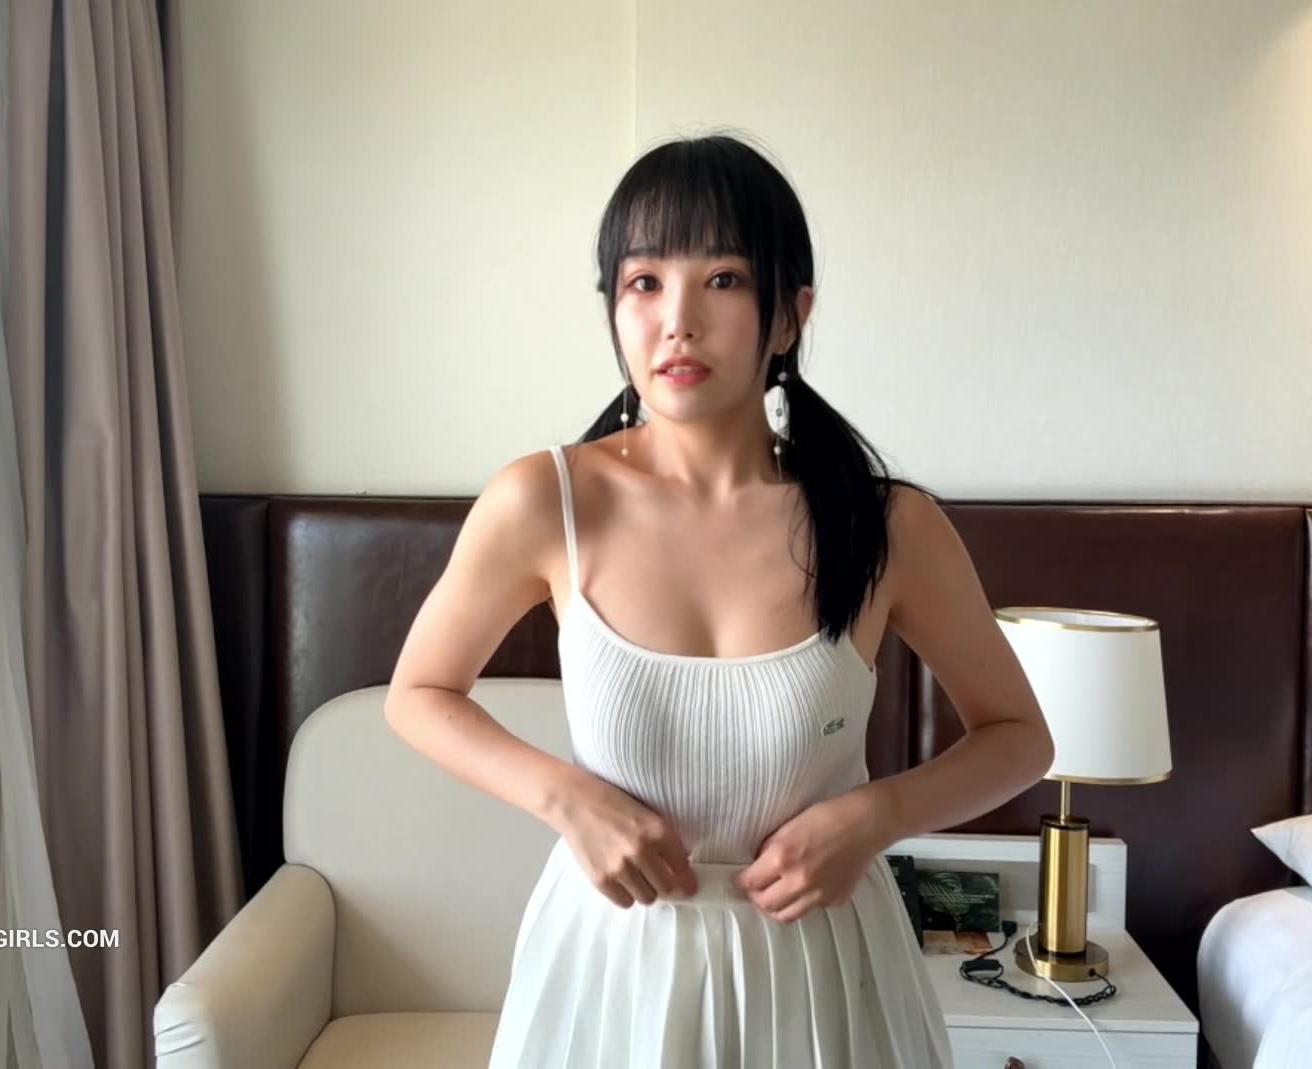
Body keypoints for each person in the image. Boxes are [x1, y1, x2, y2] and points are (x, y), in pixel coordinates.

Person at [383, 132, 1055, 1069]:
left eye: (725, 279)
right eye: (644, 282)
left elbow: (1021, 736)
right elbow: (417, 694)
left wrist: (875, 817)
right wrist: (567, 800)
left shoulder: (887, 524)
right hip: (615, 973)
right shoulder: (544, 501)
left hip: (825, 978)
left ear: (790, 315)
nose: (678, 320)